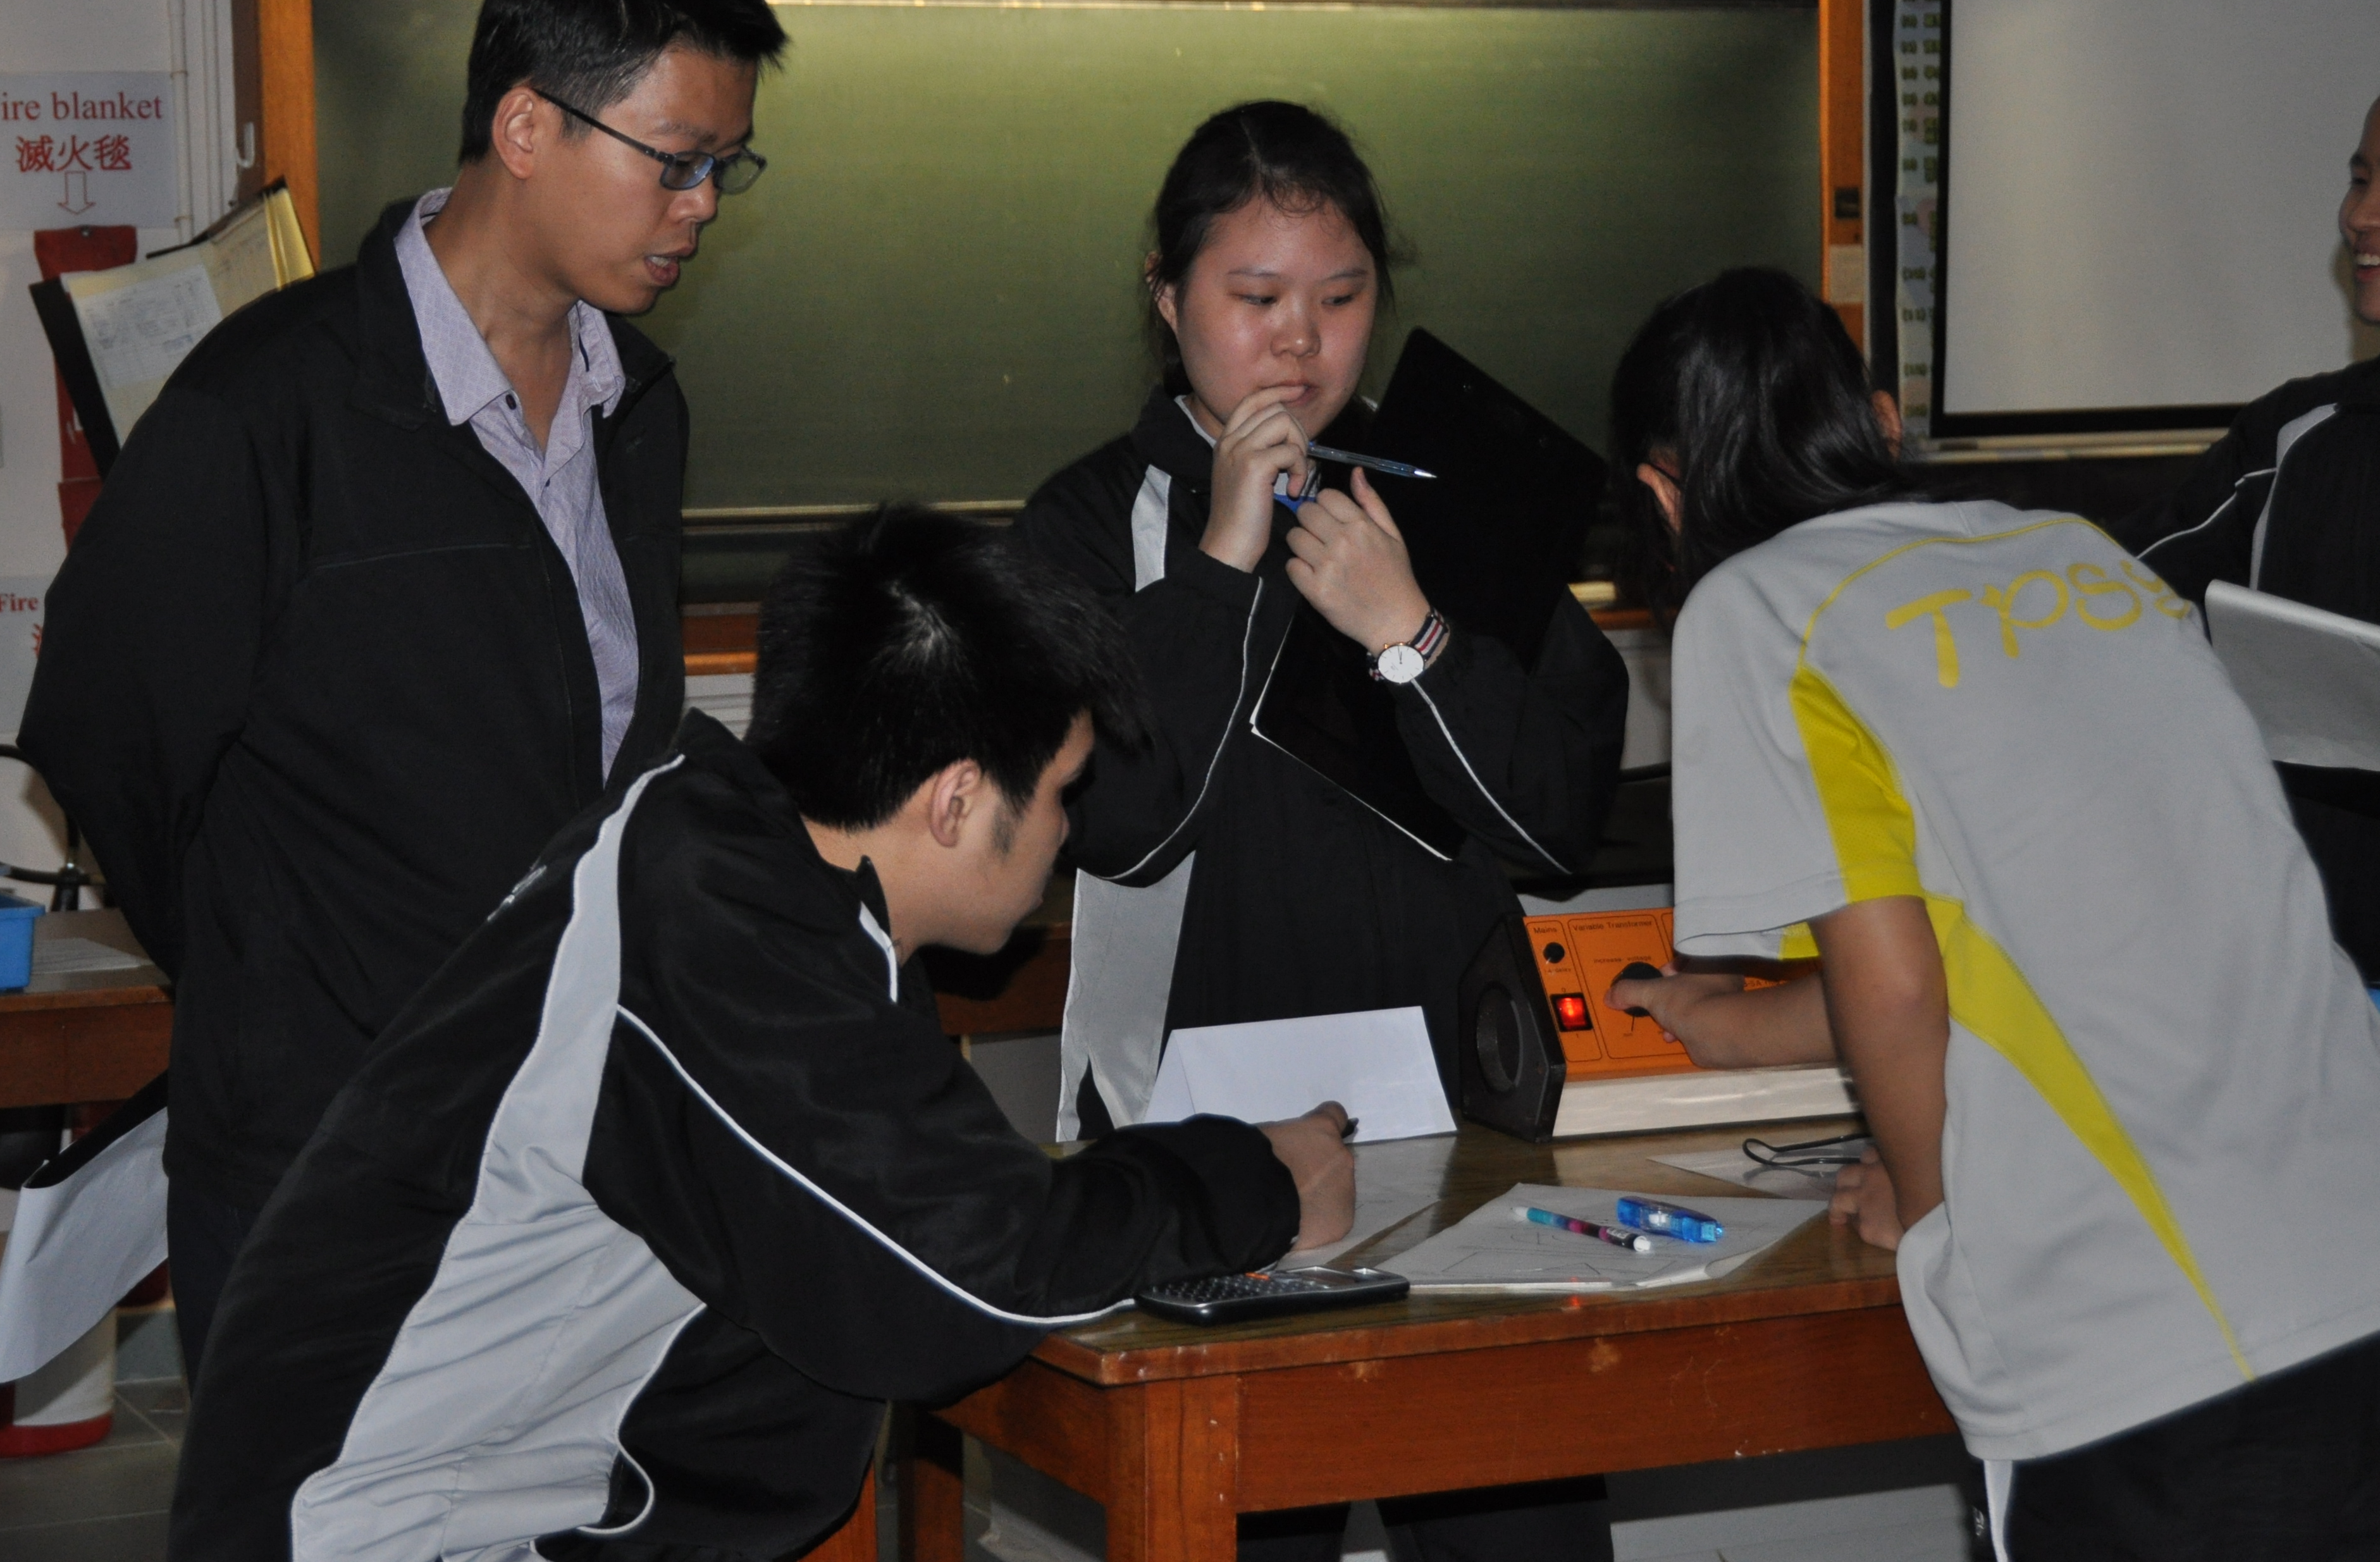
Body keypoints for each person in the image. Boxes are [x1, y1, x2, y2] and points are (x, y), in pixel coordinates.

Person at [165, 506, 1357, 1562]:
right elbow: (972, 1276)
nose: (1066, 833)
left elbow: (920, 1217)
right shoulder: (718, 923)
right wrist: (1259, 1177)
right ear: (955, 799)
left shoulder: (728, 853)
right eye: (1060, 792)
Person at [18, 0, 786, 1379]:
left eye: (725, 166)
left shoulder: (638, 404)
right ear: (525, 125)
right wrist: (275, 977)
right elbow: (109, 735)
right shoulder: (272, 403)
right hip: (324, 1155)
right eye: (674, 159)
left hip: (559, 1138)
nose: (701, 204)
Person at [1607, 268, 2380, 1557]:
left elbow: (1896, 984)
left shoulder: (1759, 608)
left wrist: (1936, 1221)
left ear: (1663, 492)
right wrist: (1729, 1025)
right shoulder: (2075, 556)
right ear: (1877, 421)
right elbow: (2017, 929)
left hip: (2142, 1345)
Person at [1014, 101, 1627, 1562]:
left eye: (1340, 298)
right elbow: (1118, 828)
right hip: (1201, 1147)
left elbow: (1554, 820)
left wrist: (1411, 633)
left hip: (1461, 1133)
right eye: (1254, 297)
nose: (1298, 343)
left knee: (1514, 1527)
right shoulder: (1086, 521)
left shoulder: (1440, 493)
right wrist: (1225, 558)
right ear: (1166, 295)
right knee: (1238, 1517)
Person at [2113, 90, 2380, 984]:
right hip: (2322, 990)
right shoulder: (2297, 437)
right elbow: (2106, 593)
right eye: (2360, 179)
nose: (2361, 217)